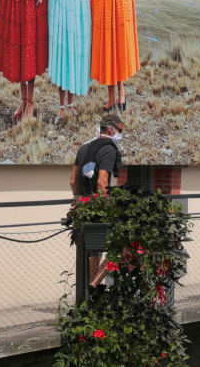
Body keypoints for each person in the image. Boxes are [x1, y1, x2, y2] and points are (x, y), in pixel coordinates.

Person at [70, 115, 123, 286]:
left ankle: (88, 292)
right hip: (98, 209)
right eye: (120, 131)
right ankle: (92, 289)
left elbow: (73, 181)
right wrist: (107, 210)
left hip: (83, 209)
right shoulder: (108, 149)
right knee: (121, 245)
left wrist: (81, 202)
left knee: (92, 252)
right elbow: (102, 182)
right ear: (111, 129)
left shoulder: (84, 148)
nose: (120, 135)